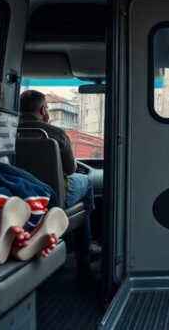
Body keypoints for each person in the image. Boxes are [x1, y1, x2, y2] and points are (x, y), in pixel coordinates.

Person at [18, 89, 100, 278]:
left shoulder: (7, 130)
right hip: (53, 199)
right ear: (42, 110)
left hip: (19, 198)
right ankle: (84, 257)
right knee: (86, 181)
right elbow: (71, 170)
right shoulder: (55, 133)